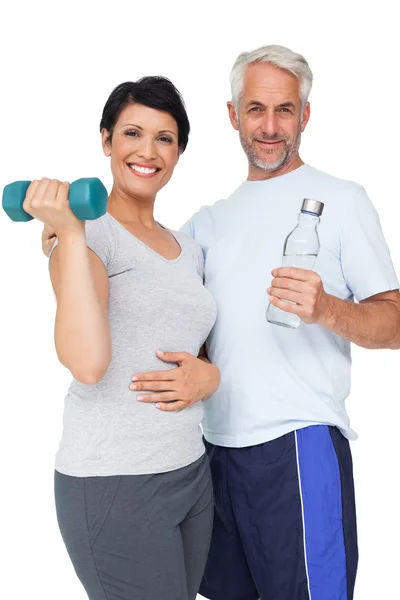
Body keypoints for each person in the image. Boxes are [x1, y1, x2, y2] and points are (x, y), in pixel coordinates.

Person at [41, 46, 400, 600]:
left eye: (286, 110)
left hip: (296, 444)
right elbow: (157, 306)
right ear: (233, 115)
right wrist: (65, 240)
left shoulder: (344, 201)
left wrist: (328, 308)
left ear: (306, 115)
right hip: (206, 455)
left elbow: (394, 323)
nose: (270, 125)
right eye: (255, 108)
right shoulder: (203, 226)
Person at [30, 76, 220, 600]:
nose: (148, 150)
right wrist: (68, 233)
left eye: (165, 138)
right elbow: (87, 363)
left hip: (190, 469)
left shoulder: (189, 248)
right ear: (106, 140)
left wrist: (211, 375)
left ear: (179, 152)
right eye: (133, 132)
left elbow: (196, 347)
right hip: (114, 481)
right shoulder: (89, 235)